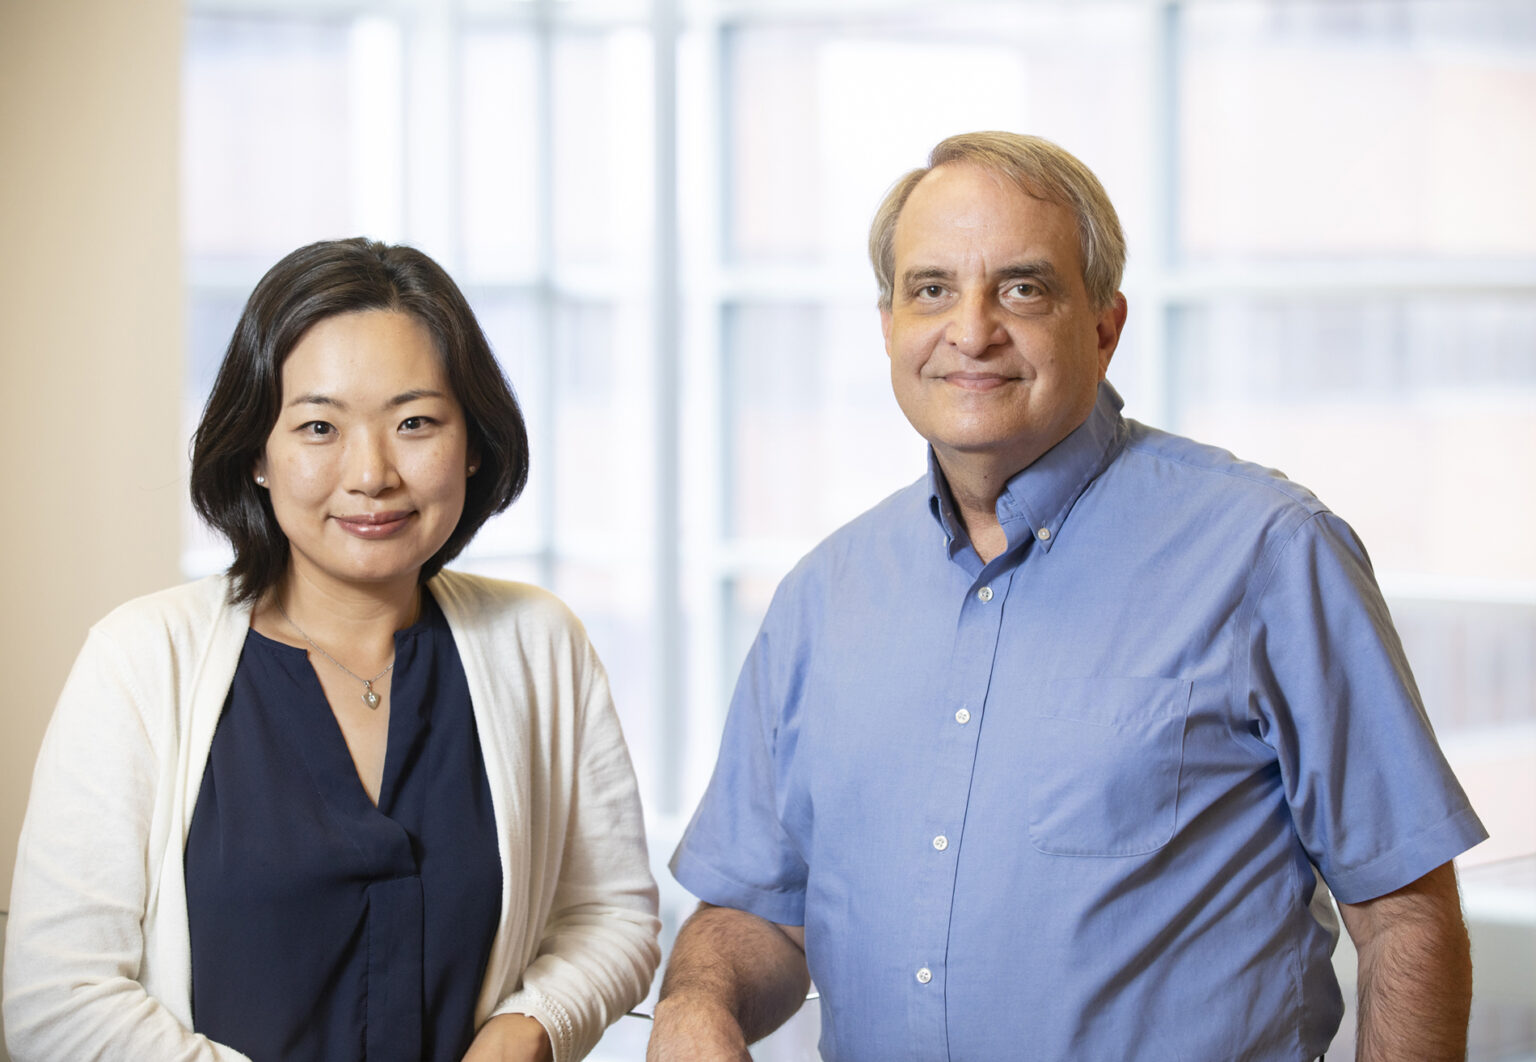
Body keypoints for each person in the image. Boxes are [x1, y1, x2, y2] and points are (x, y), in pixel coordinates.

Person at [647, 133, 1487, 1062]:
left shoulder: (1269, 554)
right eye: (932, 289)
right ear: (888, 324)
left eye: (1022, 288)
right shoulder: (821, 599)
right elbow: (763, 915)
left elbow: (1406, 918)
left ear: (1103, 327)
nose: (972, 331)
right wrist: (697, 1000)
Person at [3, 238, 660, 1062]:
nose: (372, 474)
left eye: (415, 423)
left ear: (473, 443)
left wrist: (530, 1027)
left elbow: (611, 913)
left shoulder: (539, 643)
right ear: (257, 453)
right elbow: (56, 1003)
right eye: (319, 426)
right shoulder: (139, 662)